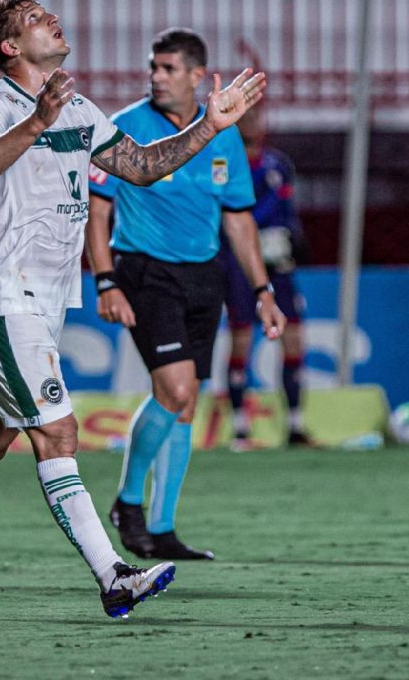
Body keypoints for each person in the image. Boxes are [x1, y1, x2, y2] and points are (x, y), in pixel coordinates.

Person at [0, 0, 265, 620]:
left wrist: (209, 126)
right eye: (36, 20)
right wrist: (38, 121)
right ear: (11, 47)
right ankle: (114, 576)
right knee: (58, 432)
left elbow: (141, 167)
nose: (52, 20)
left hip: (41, 302)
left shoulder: (79, 106)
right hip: (4, 295)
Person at [85, 29, 287, 562]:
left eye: (168, 68)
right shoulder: (125, 126)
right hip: (145, 272)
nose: (156, 76)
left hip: (204, 275)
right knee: (174, 389)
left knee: (186, 401)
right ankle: (129, 502)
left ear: (198, 75)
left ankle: (163, 526)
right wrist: (105, 281)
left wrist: (263, 290)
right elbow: (97, 211)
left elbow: (238, 219)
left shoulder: (224, 134)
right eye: (154, 66)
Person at [220, 104, 316, 450]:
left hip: (278, 261)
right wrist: (252, 233)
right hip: (239, 262)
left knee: (294, 336)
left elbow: (286, 210)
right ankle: (240, 428)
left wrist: (293, 238)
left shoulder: (278, 164)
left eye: (254, 117)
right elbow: (226, 212)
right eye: (243, 117)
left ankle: (295, 424)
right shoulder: (222, 164)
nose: (250, 122)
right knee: (242, 339)